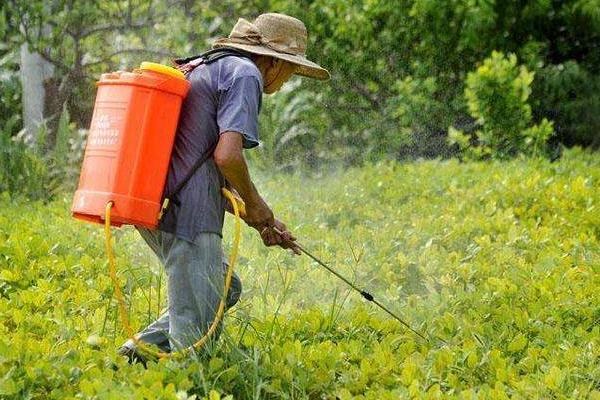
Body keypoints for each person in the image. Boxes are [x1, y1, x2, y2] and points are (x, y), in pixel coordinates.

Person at [119, 12, 329, 363]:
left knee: (224, 286)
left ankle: (137, 353)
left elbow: (201, 163)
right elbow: (227, 156)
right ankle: (183, 382)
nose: (289, 78)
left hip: (155, 200)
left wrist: (260, 218)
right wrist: (256, 203)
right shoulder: (247, 74)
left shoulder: (210, 67)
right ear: (274, 62)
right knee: (195, 339)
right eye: (292, 69)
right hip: (187, 213)